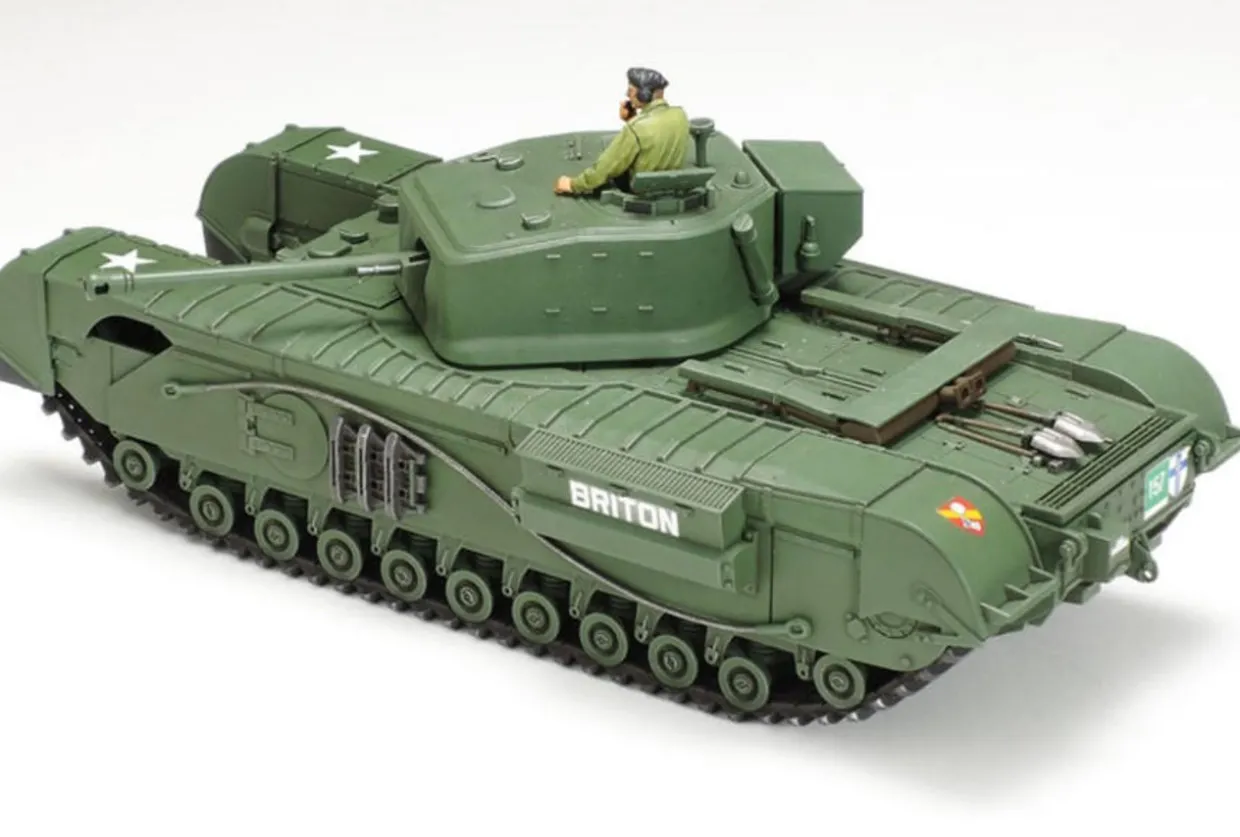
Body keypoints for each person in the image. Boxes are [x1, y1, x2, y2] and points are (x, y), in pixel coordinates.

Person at [555, 67, 690, 195]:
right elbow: (655, 136)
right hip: (670, 187)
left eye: (631, 90)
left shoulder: (635, 129)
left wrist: (573, 185)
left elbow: (607, 166)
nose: (627, 94)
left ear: (644, 94)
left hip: (641, 194)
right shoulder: (680, 115)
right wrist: (633, 119)